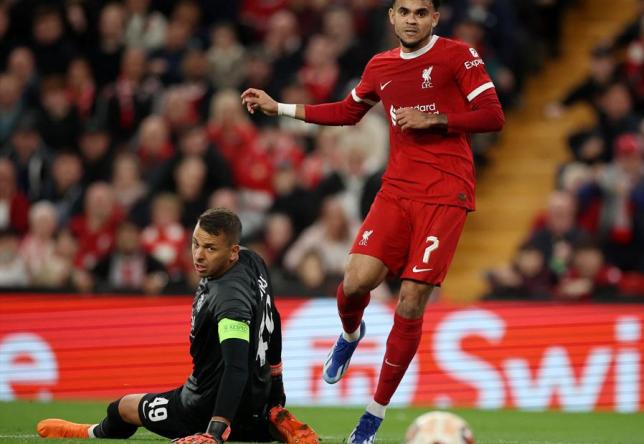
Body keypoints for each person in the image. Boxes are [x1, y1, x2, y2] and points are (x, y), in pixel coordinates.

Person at [241, 1, 505, 442]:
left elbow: (493, 116)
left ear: (435, 18)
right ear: (392, 17)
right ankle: (350, 332)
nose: (413, 19)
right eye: (405, 11)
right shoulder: (380, 65)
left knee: (410, 301)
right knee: (355, 281)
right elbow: (347, 111)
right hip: (397, 189)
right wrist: (279, 108)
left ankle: (374, 415)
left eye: (422, 12)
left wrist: (435, 118)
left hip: (445, 193)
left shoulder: (459, 55)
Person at [37, 208, 318, 444]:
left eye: (210, 248)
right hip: (256, 404)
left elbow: (236, 367)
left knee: (123, 407)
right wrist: (277, 392)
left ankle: (88, 433)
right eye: (196, 243)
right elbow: (274, 320)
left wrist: (215, 431)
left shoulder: (228, 300)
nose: (198, 255)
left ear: (232, 252)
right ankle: (270, 423)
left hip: (203, 406)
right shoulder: (254, 261)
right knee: (252, 419)